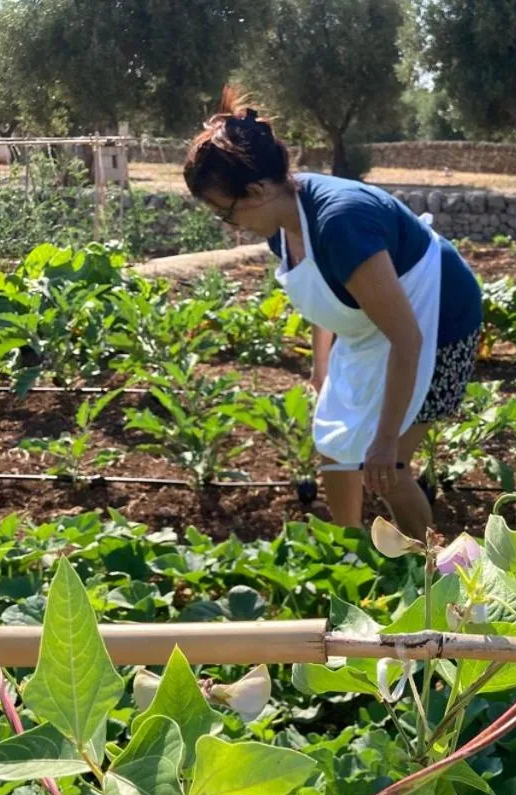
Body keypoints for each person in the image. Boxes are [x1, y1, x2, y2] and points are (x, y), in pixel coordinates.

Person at [183, 86, 483, 537]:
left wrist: (383, 442)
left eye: (226, 213)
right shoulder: (281, 225)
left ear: (258, 190)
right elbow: (322, 294)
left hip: (439, 320)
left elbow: (408, 339)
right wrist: (321, 368)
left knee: (389, 468)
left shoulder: (340, 225)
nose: (230, 226)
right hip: (376, 323)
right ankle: (350, 552)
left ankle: (424, 574)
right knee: (334, 441)